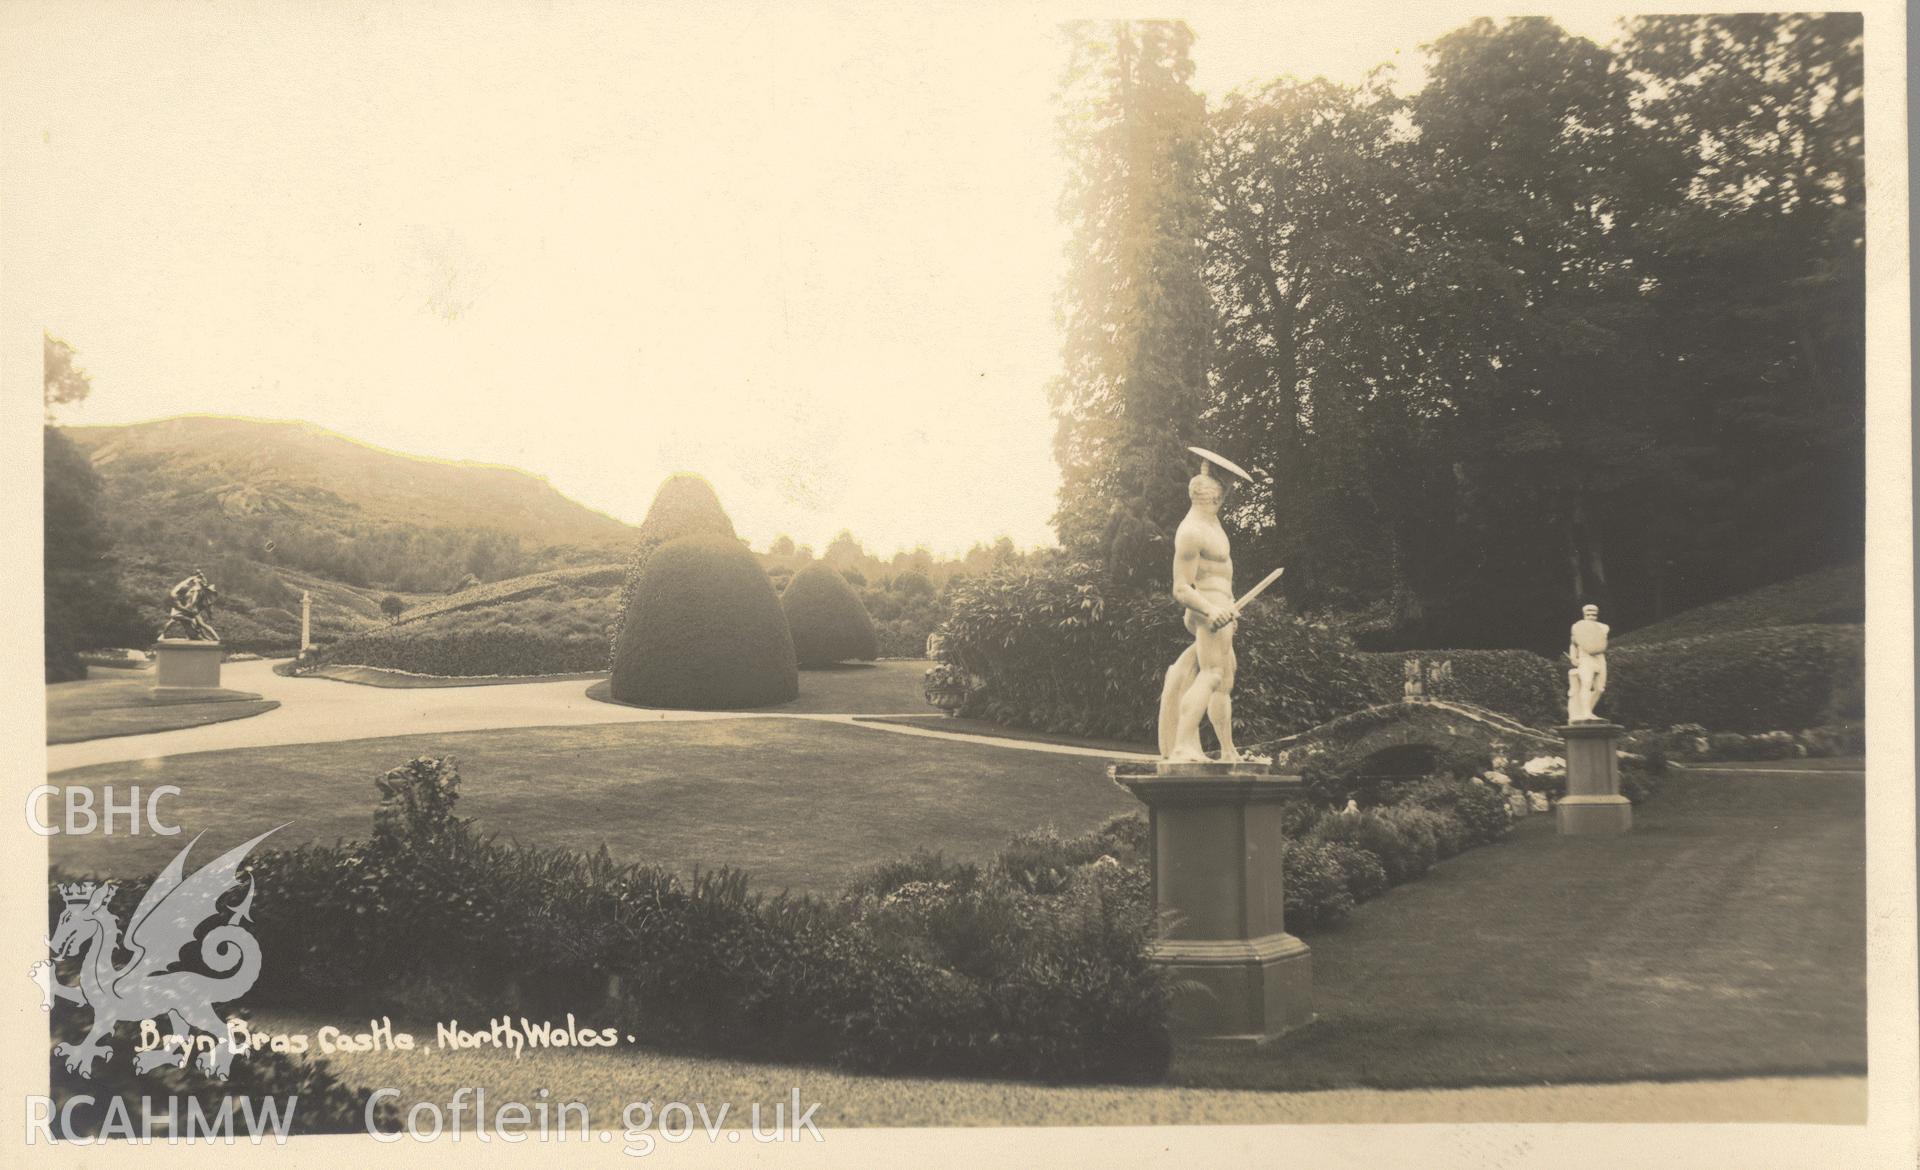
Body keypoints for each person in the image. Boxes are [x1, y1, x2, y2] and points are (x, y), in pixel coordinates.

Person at [1157, 470, 1242, 762]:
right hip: (1207, 609)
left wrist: (1229, 606)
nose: (1224, 500)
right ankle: (1181, 745)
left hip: (1221, 607)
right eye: (1222, 496)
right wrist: (1211, 610)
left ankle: (1228, 750)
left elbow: (1222, 575)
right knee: (1211, 675)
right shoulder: (1192, 531)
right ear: (1214, 498)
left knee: (1225, 678)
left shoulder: (1212, 522)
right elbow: (1181, 589)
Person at [1566, 603, 1609, 721]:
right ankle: (1586, 713)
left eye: (1593, 614)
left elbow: (1600, 644)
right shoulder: (1578, 627)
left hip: (1599, 658)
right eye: (1588, 614)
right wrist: (1573, 657)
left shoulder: (1604, 627)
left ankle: (1586, 710)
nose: (1590, 616)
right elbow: (1573, 644)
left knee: (1600, 688)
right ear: (1584, 614)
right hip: (1585, 658)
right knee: (1587, 684)